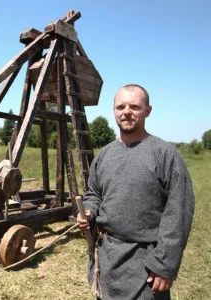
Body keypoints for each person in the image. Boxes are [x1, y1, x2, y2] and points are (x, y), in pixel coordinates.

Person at [77, 84, 195, 299]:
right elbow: (94, 193)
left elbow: (179, 211)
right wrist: (89, 211)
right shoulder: (104, 155)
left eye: (134, 106)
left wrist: (165, 264)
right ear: (114, 111)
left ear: (147, 110)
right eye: (120, 106)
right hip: (108, 259)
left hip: (147, 264)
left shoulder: (165, 154)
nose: (126, 112)